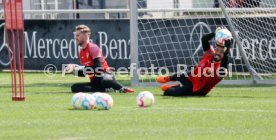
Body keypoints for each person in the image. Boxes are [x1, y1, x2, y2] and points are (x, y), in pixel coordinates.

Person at [156, 27, 232, 96]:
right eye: (217, 50)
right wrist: (217, 33)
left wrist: (226, 54)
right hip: (191, 79)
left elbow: (223, 70)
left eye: (221, 52)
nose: (218, 53)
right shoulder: (210, 54)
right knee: (184, 73)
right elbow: (204, 39)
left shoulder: (220, 69)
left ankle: (174, 87)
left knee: (167, 92)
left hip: (195, 90)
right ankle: (168, 78)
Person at [65, 24, 134, 93]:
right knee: (74, 87)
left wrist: (80, 68)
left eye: (78, 35)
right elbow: (86, 73)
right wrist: (73, 71)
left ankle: (122, 88)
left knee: (104, 80)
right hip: (95, 81)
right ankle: (107, 90)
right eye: (75, 35)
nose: (75, 38)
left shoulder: (93, 48)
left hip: (105, 76)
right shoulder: (81, 52)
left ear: (86, 35)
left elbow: (98, 68)